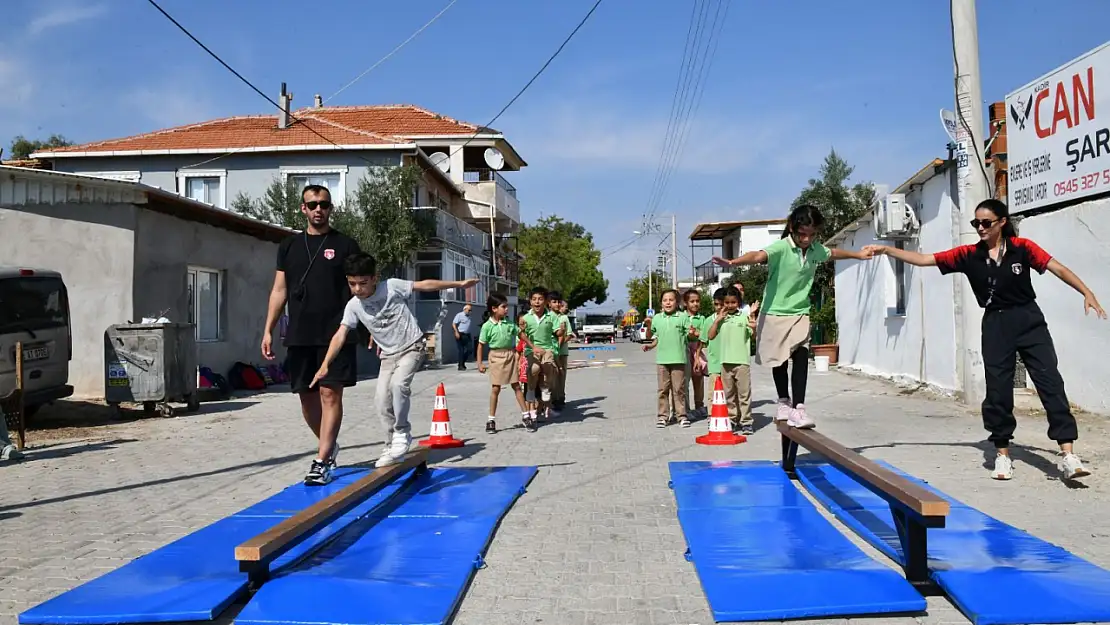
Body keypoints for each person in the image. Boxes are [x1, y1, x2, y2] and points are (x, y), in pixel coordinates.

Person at [863, 198, 1105, 481]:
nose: (980, 227)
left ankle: (1068, 454)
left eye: (986, 223)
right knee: (998, 391)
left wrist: (1086, 292)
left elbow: (1057, 268)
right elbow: (925, 259)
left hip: (1029, 320)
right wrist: (885, 249)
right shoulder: (968, 255)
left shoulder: (1022, 248)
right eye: (976, 223)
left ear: (1002, 222)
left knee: (1050, 382)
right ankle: (1003, 455)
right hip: (996, 323)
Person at [312, 252, 477, 473]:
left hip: (413, 346)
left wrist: (458, 283)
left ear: (374, 278)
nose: (358, 289)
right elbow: (340, 334)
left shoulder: (391, 286)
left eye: (363, 283)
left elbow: (425, 285)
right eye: (353, 284)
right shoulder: (353, 306)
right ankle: (391, 445)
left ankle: (402, 432)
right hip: (388, 355)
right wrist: (325, 364)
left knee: (398, 386)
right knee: (380, 400)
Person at [713, 204, 873, 429]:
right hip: (774, 313)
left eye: (812, 235)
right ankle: (783, 402)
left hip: (800, 311)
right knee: (779, 360)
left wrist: (858, 254)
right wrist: (733, 262)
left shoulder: (815, 249)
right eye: (802, 234)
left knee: (800, 354)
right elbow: (758, 256)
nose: (807, 239)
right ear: (792, 228)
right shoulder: (782, 247)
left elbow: (832, 253)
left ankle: (799, 407)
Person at [262, 184, 361, 486]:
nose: (319, 209)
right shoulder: (289, 246)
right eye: (313, 204)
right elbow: (279, 290)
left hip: (336, 335)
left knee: (330, 393)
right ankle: (328, 446)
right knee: (307, 399)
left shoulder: (346, 245)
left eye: (324, 204)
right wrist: (267, 329)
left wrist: (371, 327)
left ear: (331, 208)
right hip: (300, 334)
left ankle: (322, 459)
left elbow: (361, 288)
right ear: (303, 209)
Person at [708, 286, 759, 435]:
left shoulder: (744, 317)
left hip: (742, 362)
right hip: (725, 363)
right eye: (727, 302)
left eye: (733, 302)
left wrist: (754, 325)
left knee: (744, 394)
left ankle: (746, 421)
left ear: (738, 302)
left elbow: (753, 336)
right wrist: (717, 320)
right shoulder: (721, 319)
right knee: (728, 394)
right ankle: (732, 419)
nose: (730, 305)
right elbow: (710, 336)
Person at [477, 293, 531, 433]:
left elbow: (520, 334)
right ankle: (491, 419)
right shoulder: (487, 326)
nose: (506, 309)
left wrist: (532, 346)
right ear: (494, 309)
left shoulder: (509, 323)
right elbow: (481, 345)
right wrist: (479, 363)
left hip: (510, 355)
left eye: (506, 306)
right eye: (504, 307)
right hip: (496, 356)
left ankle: (526, 416)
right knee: (496, 388)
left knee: (517, 386)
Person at [643, 289, 697, 428]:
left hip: (679, 359)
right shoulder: (657, 319)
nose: (668, 303)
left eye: (671, 300)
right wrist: (649, 328)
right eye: (665, 300)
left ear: (677, 302)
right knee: (663, 390)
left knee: (679, 389)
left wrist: (692, 333)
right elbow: (651, 337)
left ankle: (681, 416)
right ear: (661, 303)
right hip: (662, 361)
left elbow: (690, 337)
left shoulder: (683, 317)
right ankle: (663, 416)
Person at [522, 286, 562, 425]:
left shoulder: (552, 316)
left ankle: (546, 389)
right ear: (530, 301)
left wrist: (561, 331)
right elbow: (520, 336)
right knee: (534, 370)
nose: (537, 302)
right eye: (534, 299)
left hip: (547, 349)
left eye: (540, 299)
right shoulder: (526, 318)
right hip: (531, 350)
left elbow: (557, 332)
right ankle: (531, 392)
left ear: (545, 301)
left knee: (548, 365)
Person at [683, 289, 709, 419]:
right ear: (685, 303)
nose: (695, 304)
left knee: (698, 380)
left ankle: (699, 406)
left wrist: (696, 333)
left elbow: (704, 337)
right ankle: (685, 408)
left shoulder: (702, 318)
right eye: (692, 301)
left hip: (697, 351)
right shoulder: (681, 317)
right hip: (684, 351)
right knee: (684, 381)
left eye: (697, 301)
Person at [548, 290, 571, 411]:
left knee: (559, 376)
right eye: (554, 302)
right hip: (549, 351)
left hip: (560, 351)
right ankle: (547, 400)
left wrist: (559, 344)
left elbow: (565, 335)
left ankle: (558, 398)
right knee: (550, 377)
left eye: (559, 303)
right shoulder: (547, 316)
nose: (558, 305)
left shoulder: (563, 318)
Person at [452, 304, 473, 371]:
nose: (470, 311)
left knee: (470, 350)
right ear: (465, 309)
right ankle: (460, 366)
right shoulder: (459, 315)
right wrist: (456, 332)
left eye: (471, 310)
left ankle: (462, 363)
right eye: (469, 310)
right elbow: (454, 324)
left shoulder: (469, 316)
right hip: (460, 334)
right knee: (461, 350)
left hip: (467, 335)